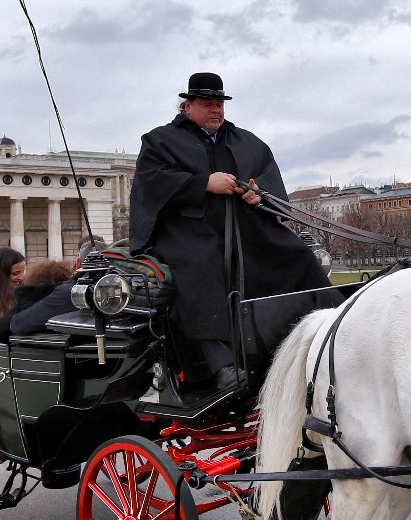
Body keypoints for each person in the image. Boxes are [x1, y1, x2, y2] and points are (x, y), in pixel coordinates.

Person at [128, 71, 330, 393]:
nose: (216, 110)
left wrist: (258, 193)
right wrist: (202, 183)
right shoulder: (160, 140)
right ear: (187, 106)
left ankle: (325, 329)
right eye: (207, 104)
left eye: (220, 104)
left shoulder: (246, 141)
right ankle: (221, 362)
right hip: (189, 230)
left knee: (295, 254)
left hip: (246, 225)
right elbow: (151, 183)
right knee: (200, 264)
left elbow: (270, 181)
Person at [3, 258, 80, 339]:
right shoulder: (68, 294)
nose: (21, 278)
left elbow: (13, 325)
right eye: (15, 273)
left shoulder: (20, 309)